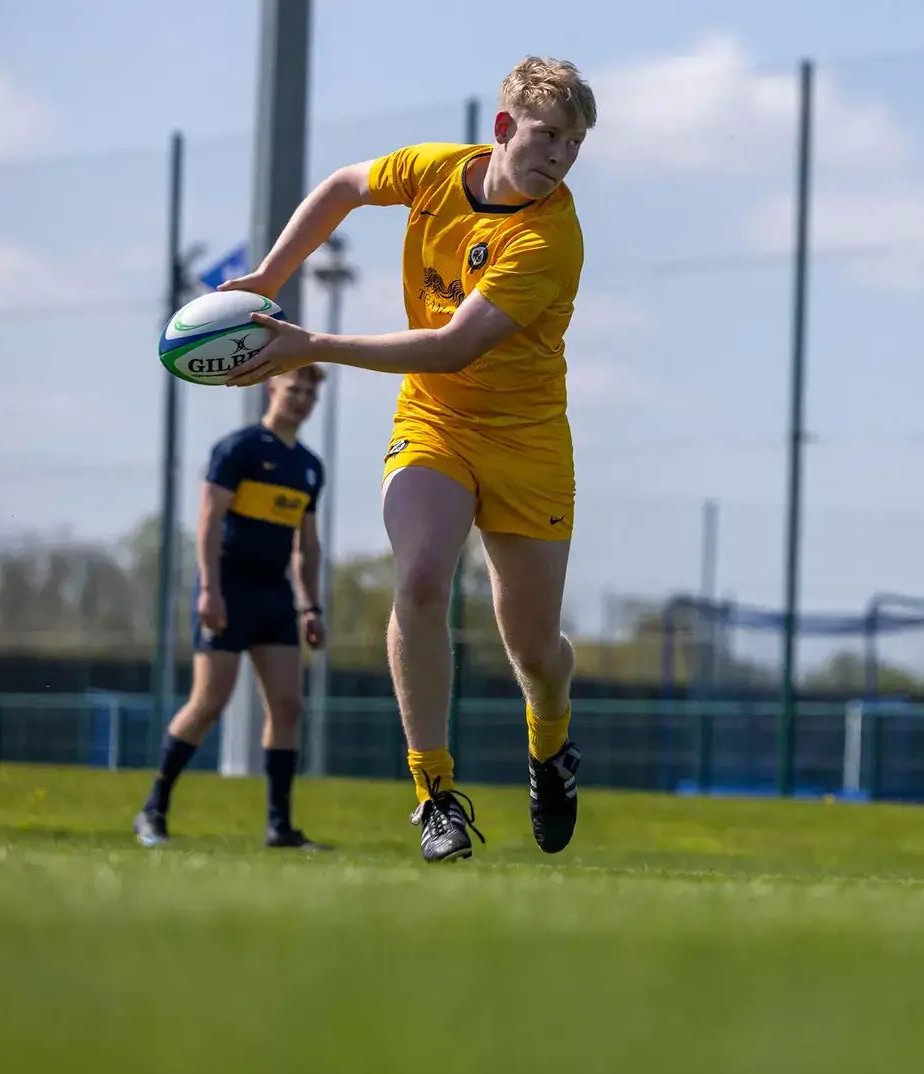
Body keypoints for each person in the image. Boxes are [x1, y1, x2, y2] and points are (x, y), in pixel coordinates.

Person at [215, 57, 595, 863]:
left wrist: (308, 345)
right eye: (547, 135)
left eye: (573, 142)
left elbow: (453, 345)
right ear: (503, 129)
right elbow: (346, 187)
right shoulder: (435, 172)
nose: (560, 155)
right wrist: (269, 278)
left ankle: (550, 739)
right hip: (435, 424)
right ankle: (434, 796)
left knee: (533, 651)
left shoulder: (549, 237)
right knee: (421, 576)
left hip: (527, 443)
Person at [133, 367, 329, 851]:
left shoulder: (309, 466)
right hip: (229, 589)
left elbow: (307, 546)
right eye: (294, 389)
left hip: (275, 595)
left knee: (287, 705)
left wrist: (310, 607)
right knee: (209, 703)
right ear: (272, 389)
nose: (301, 398)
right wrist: (209, 590)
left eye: (309, 392)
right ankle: (154, 808)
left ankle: (279, 826)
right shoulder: (238, 449)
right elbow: (208, 518)